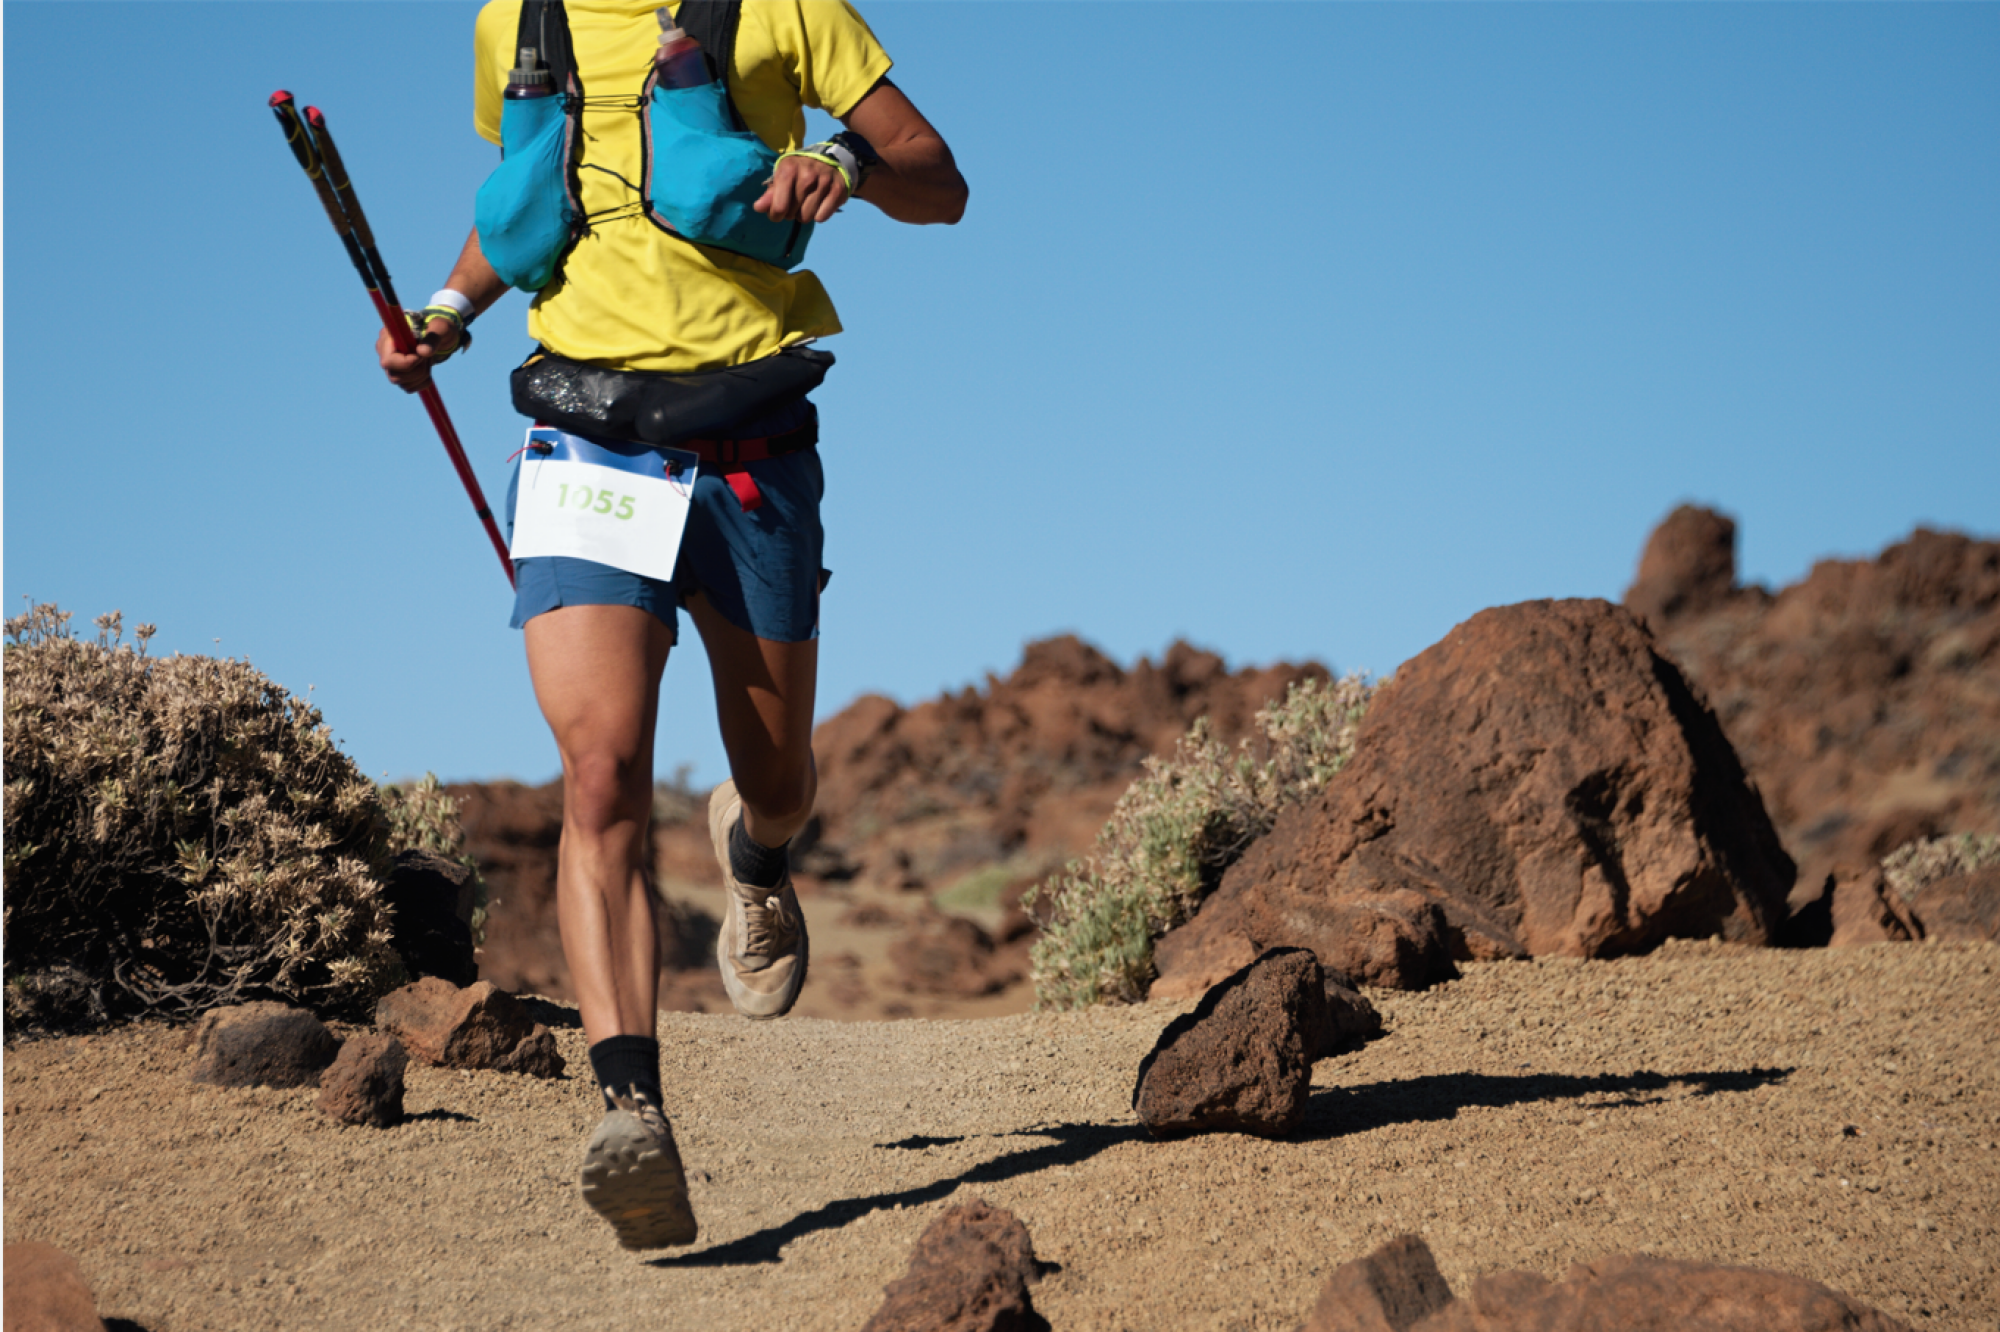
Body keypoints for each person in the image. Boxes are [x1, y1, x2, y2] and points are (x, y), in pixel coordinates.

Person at [377, 0, 966, 1250]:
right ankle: (630, 1111)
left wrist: (843, 167)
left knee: (779, 780)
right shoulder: (514, 23)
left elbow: (939, 181)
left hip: (749, 449)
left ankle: (759, 855)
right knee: (599, 777)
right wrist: (447, 306)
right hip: (584, 444)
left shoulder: (787, 10)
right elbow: (546, 202)